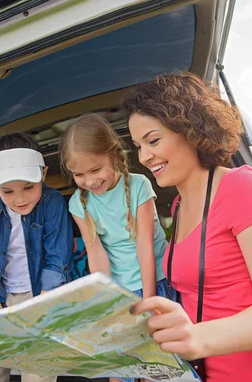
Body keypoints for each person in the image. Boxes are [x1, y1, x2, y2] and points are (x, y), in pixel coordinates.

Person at [124, 73, 252, 382]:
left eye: (153, 140)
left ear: (190, 129)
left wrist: (197, 337)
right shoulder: (178, 207)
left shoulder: (241, 187)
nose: (144, 156)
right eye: (138, 146)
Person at [59, 113, 174, 382]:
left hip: (155, 284)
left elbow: (144, 246)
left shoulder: (139, 186)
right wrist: (107, 304)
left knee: (156, 368)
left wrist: (149, 302)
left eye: (95, 170)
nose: (89, 181)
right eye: (79, 174)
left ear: (113, 155)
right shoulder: (79, 202)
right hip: (121, 292)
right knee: (121, 369)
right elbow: (96, 253)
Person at [0, 132, 74, 382]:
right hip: (2, 303)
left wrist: (40, 311)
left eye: (28, 187)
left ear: (43, 175)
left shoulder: (52, 202)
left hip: (45, 301)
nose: (20, 198)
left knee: (36, 375)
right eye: (8, 191)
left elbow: (58, 261)